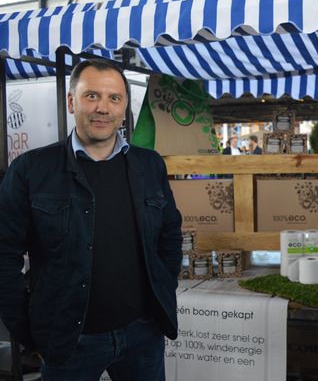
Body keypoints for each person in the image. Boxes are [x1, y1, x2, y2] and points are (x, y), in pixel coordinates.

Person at [0, 59, 183, 380]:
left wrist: (162, 290)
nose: (103, 107)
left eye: (114, 98)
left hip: (142, 334)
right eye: (92, 95)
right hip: (69, 341)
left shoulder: (150, 165)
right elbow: (4, 254)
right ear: (72, 102)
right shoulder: (31, 169)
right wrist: (29, 331)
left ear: (124, 107)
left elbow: (170, 235)